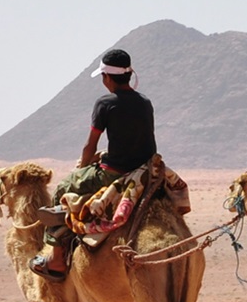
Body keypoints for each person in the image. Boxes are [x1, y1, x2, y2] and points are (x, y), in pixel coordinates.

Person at [31, 48, 157, 281]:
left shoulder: (105, 103)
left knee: (63, 189)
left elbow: (90, 145)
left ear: (107, 77)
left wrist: (82, 168)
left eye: (103, 77)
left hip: (114, 174)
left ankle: (56, 259)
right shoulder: (145, 102)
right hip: (145, 171)